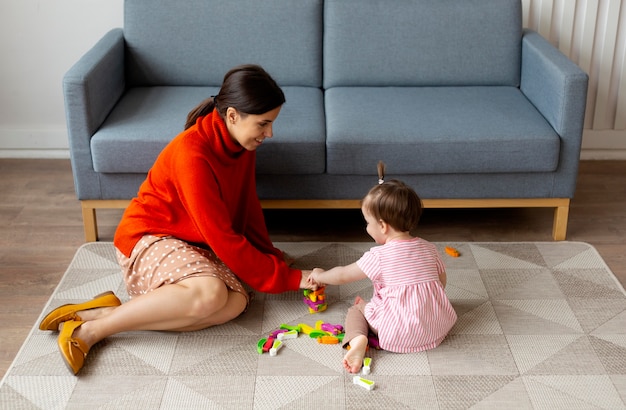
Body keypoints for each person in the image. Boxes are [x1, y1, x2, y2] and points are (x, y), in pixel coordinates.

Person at [39, 64, 316, 374]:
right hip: (150, 236)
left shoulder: (241, 144)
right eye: (263, 124)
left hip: (194, 241)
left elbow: (246, 206)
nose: (270, 134)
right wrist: (290, 279)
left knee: (235, 303)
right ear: (233, 115)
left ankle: (104, 311)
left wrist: (271, 257)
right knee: (210, 294)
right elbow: (221, 236)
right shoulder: (192, 154)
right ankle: (89, 331)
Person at [308, 162, 457, 373]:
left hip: (396, 332)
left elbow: (342, 275)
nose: (366, 227)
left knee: (357, 308)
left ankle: (358, 341)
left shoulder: (378, 256)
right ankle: (418, 319)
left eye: (367, 223)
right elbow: (441, 283)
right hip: (435, 327)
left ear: (383, 226)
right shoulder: (429, 248)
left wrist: (320, 275)